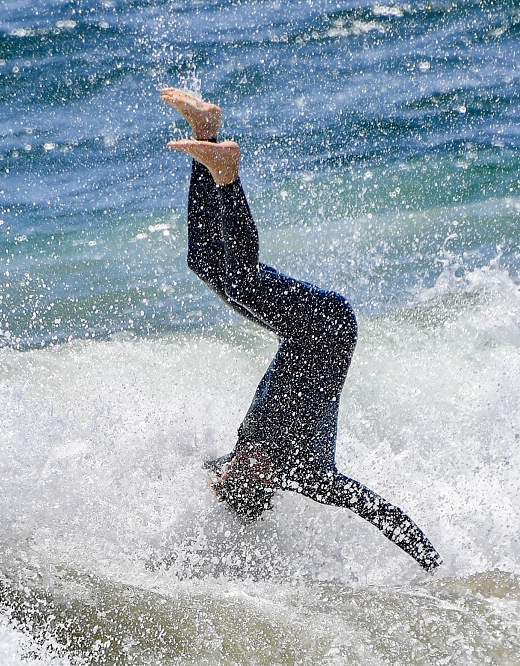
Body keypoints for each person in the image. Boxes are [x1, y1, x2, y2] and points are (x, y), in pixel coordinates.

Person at [162, 88, 441, 571]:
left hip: (298, 331)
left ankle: (206, 132)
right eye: (251, 470)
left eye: (236, 465)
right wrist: (435, 566)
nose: (245, 459)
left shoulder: (237, 456)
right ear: (268, 483)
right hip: (329, 327)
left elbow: (185, 466)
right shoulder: (311, 474)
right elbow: (381, 513)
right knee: (244, 284)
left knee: (205, 262)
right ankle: (227, 175)